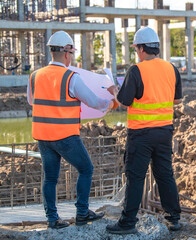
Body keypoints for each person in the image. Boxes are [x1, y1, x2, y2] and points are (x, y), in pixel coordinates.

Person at [27, 31, 115, 229]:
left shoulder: (34, 76)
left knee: (49, 178)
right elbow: (94, 101)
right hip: (65, 136)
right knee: (86, 169)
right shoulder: (70, 77)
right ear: (67, 53)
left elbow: (32, 101)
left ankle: (52, 219)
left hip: (43, 136)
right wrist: (111, 103)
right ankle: (82, 213)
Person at [106, 27, 183, 235]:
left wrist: (114, 90)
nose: (136, 53)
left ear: (141, 48)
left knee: (135, 176)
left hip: (141, 133)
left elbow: (124, 101)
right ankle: (173, 218)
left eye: (136, 49)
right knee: (165, 174)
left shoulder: (136, 70)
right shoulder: (171, 69)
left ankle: (127, 222)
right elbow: (176, 99)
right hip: (164, 131)